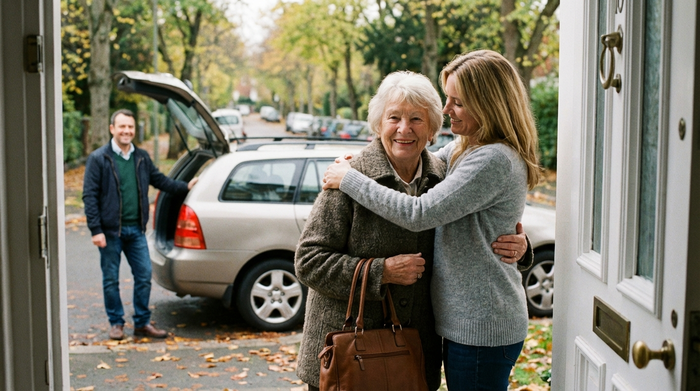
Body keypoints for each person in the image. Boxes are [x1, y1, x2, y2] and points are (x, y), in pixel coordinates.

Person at [295, 71, 531, 391]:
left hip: (412, 357)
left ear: (433, 129)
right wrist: (382, 271)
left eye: (417, 119)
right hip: (349, 357)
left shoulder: (442, 174)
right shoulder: (349, 178)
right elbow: (309, 261)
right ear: (379, 124)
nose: (404, 129)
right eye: (394, 117)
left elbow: (476, 218)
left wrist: (519, 242)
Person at [83, 109, 198, 340]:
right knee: (110, 280)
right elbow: (89, 195)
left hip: (136, 230)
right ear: (112, 129)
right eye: (122, 127)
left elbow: (160, 181)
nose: (127, 131)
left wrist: (185, 187)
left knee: (144, 275)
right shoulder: (99, 158)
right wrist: (96, 230)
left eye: (130, 127)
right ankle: (116, 323)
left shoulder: (141, 157)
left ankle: (142, 324)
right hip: (109, 231)